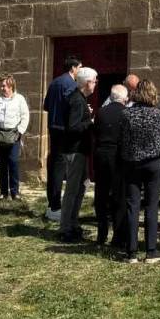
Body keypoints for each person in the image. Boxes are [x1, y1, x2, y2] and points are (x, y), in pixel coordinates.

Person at [119, 80, 160, 263]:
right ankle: (151, 250)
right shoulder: (157, 114)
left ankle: (131, 251)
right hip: (152, 162)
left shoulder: (126, 114)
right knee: (151, 205)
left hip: (131, 162)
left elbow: (122, 137)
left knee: (133, 205)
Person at [58, 66, 97, 242]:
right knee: (72, 190)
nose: (96, 84)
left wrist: (86, 117)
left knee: (82, 187)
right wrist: (90, 122)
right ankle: (65, 228)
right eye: (95, 81)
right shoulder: (76, 100)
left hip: (80, 149)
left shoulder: (79, 98)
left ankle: (73, 223)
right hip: (74, 150)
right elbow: (72, 128)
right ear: (88, 83)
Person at [42, 56, 81, 222]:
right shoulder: (71, 85)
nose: (80, 71)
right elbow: (71, 108)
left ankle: (51, 202)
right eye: (79, 67)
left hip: (53, 127)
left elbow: (46, 106)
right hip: (64, 130)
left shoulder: (54, 83)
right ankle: (56, 206)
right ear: (73, 68)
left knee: (54, 166)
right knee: (60, 168)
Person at [94, 84, 130, 246]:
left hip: (102, 155)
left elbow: (96, 133)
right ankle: (118, 235)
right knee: (119, 196)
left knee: (101, 194)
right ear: (124, 98)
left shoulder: (101, 112)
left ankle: (101, 234)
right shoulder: (126, 113)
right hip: (118, 156)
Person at [0, 74, 30, 200]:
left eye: (4, 86)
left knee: (13, 163)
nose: (2, 88)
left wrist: (19, 132)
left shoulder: (19, 99)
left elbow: (25, 116)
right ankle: (3, 192)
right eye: (1, 86)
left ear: (11, 86)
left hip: (13, 136)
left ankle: (14, 192)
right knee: (2, 165)